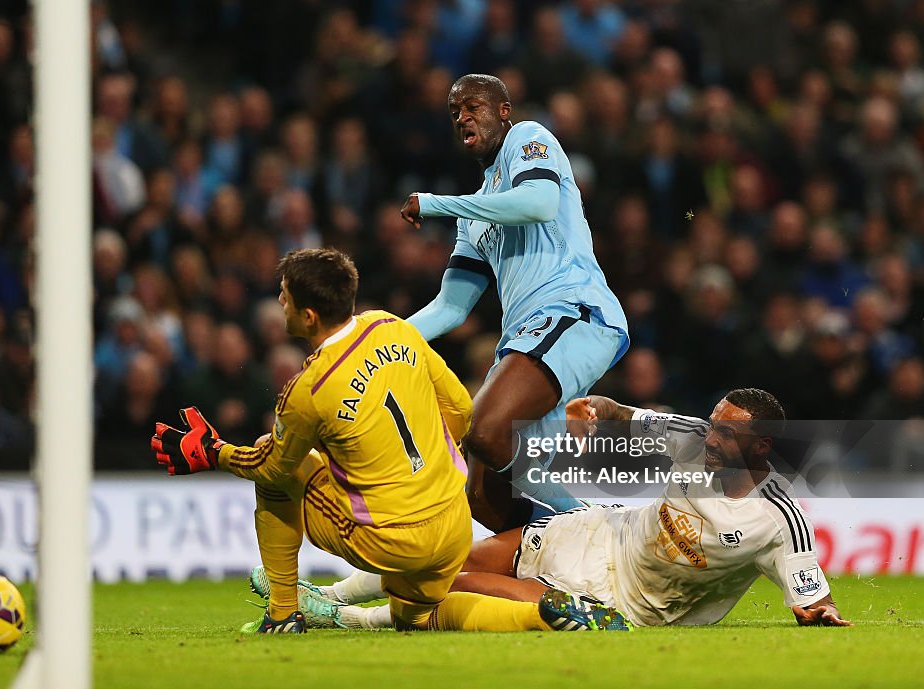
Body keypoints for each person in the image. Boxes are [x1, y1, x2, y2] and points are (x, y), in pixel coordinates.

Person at [150, 248, 629, 634]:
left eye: (284, 296)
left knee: (282, 470)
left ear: (310, 315)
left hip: (393, 540)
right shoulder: (393, 327)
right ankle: (538, 616)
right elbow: (462, 410)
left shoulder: (308, 390)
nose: (280, 303)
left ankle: (283, 612)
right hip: (453, 523)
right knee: (419, 618)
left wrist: (214, 452)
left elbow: (273, 467)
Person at [279, 388, 851, 629]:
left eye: (729, 433)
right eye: (716, 423)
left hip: (626, 603)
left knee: (463, 587)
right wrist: (594, 410)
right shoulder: (689, 435)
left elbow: (812, 598)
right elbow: (621, 413)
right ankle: (328, 595)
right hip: (600, 534)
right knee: (450, 559)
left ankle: (346, 619)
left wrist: (819, 613)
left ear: (762, 448)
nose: (713, 437)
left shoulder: (777, 521)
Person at [399, 73, 629, 530]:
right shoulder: (475, 214)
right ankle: (569, 567)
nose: (463, 117)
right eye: (455, 112)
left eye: (473, 107)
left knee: (485, 430)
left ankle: (594, 527)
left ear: (504, 112)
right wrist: (375, 337)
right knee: (482, 497)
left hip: (574, 311)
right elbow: (451, 307)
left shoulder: (528, 138)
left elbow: (539, 203)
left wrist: (438, 204)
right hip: (526, 338)